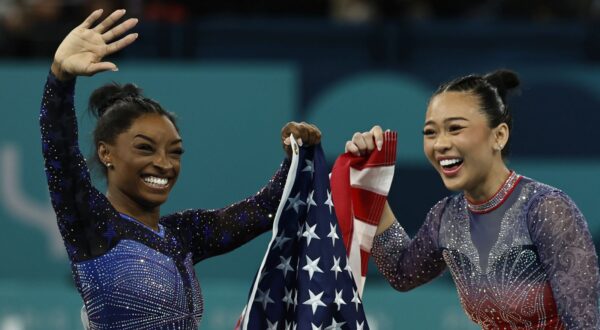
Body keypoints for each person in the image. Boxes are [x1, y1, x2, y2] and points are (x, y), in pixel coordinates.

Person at [40, 8, 321, 329]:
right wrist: (60, 80)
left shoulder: (183, 235)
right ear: (106, 153)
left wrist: (295, 157)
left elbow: (265, 209)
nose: (164, 163)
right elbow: (59, 153)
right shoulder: (93, 226)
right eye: (145, 148)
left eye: (174, 152)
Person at [345, 69, 600, 329]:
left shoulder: (547, 209)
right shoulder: (446, 217)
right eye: (430, 133)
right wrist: (372, 183)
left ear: (499, 135)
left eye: (455, 128)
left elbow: (584, 324)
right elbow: (401, 273)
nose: (440, 144)